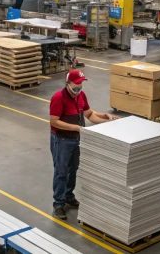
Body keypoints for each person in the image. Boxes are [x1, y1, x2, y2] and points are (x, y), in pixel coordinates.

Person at [50, 69, 118, 220]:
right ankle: (58, 204)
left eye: (81, 84)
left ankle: (68, 196)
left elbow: (89, 115)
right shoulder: (58, 98)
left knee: (73, 169)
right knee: (61, 171)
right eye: (77, 84)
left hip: (76, 138)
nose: (79, 87)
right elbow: (54, 121)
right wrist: (75, 127)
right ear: (68, 83)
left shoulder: (81, 96)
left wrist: (106, 118)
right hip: (61, 139)